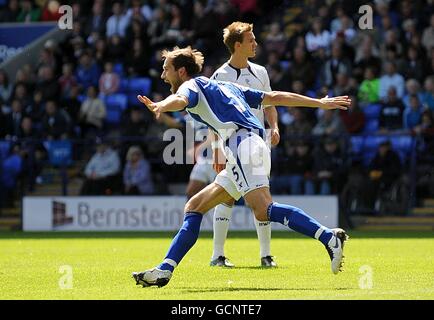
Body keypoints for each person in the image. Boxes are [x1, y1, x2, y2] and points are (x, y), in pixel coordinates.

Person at [133, 46, 350, 288]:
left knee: (264, 209)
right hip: (248, 146)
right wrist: (318, 103)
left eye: (166, 70)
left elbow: (181, 99)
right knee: (194, 206)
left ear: (181, 71)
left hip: (242, 146)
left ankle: (329, 237)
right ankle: (165, 269)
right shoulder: (226, 87)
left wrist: (161, 105)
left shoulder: (190, 85)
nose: (163, 76)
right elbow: (274, 97)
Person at [209, 22, 280, 268]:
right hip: (232, 145)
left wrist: (275, 126)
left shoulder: (260, 72)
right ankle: (218, 255)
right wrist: (217, 148)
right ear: (237, 45)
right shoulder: (219, 76)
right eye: (251, 40)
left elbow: (269, 103)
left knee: (262, 196)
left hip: (258, 144)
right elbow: (213, 116)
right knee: (227, 197)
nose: (255, 44)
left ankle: (265, 254)